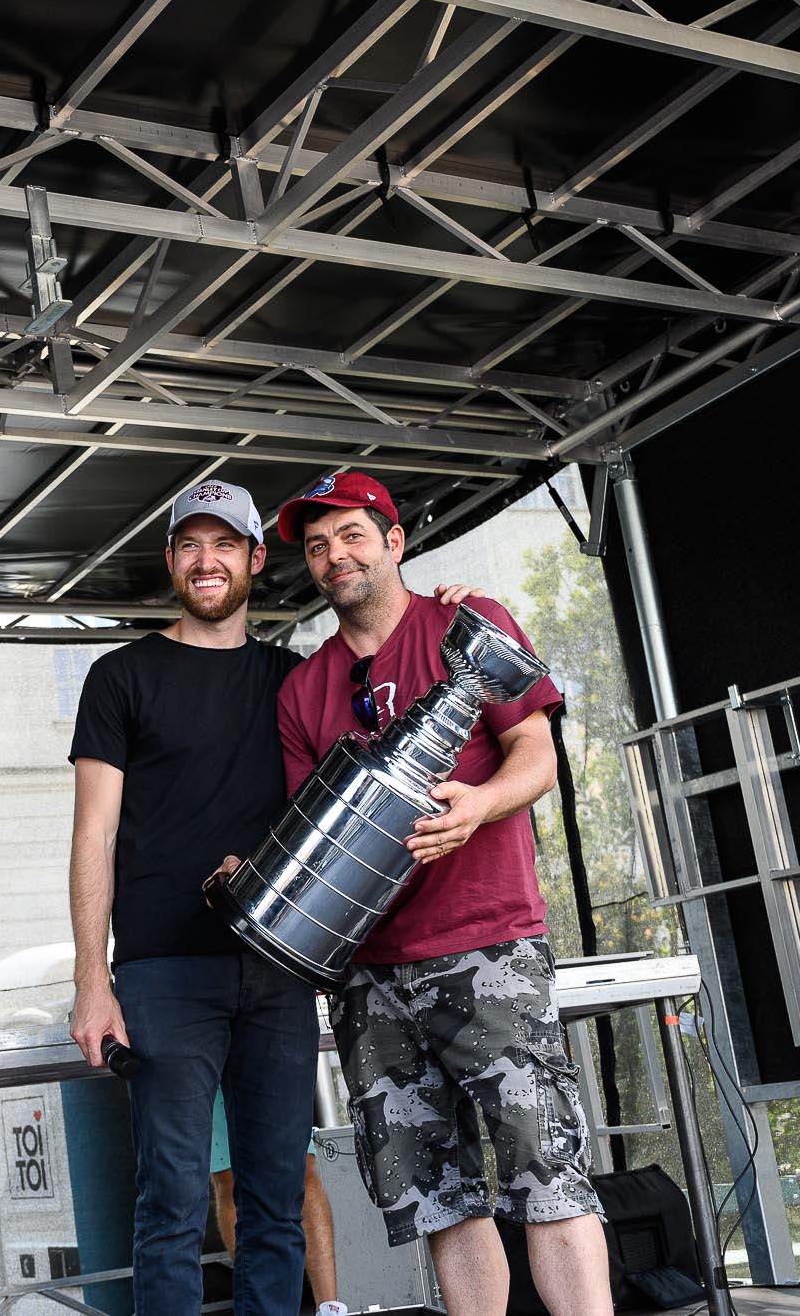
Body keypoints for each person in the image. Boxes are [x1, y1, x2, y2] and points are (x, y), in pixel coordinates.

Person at [272, 471, 611, 1316]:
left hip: (487, 942)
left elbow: (536, 752)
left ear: (393, 540)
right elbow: (312, 842)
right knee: (438, 1200)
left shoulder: (472, 624)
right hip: (371, 976)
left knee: (548, 1176)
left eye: (351, 534)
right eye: (317, 546)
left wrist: (481, 805)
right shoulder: (300, 690)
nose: (333, 555)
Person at [66, 479, 316, 1316]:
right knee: (171, 1206)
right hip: (164, 975)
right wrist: (92, 981)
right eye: (188, 546)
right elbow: (92, 836)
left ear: (254, 558)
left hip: (280, 973)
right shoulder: (120, 677)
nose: (205, 561)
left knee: (276, 1205)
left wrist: (446, 604)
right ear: (171, 561)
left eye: (223, 545)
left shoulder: (297, 680)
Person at [206, 1090, 348, 1316]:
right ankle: (260, 1303)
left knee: (301, 1170)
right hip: (208, 1061)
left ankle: (330, 1309)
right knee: (229, 1178)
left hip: (272, 1058)